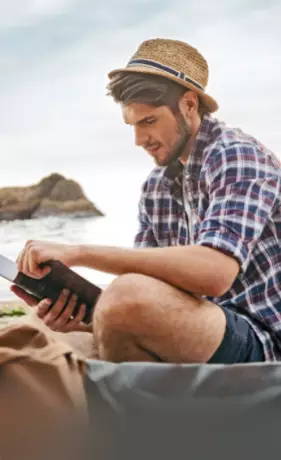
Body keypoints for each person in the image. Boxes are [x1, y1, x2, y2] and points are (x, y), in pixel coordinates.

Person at [13, 38, 281, 364]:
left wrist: (78, 253)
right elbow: (148, 289)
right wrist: (83, 317)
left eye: (149, 121)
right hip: (203, 327)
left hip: (263, 339)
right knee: (41, 336)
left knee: (125, 296)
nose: (139, 140)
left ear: (189, 106)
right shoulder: (157, 188)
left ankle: (134, 409)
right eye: (132, 125)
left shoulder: (237, 155)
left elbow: (215, 273)